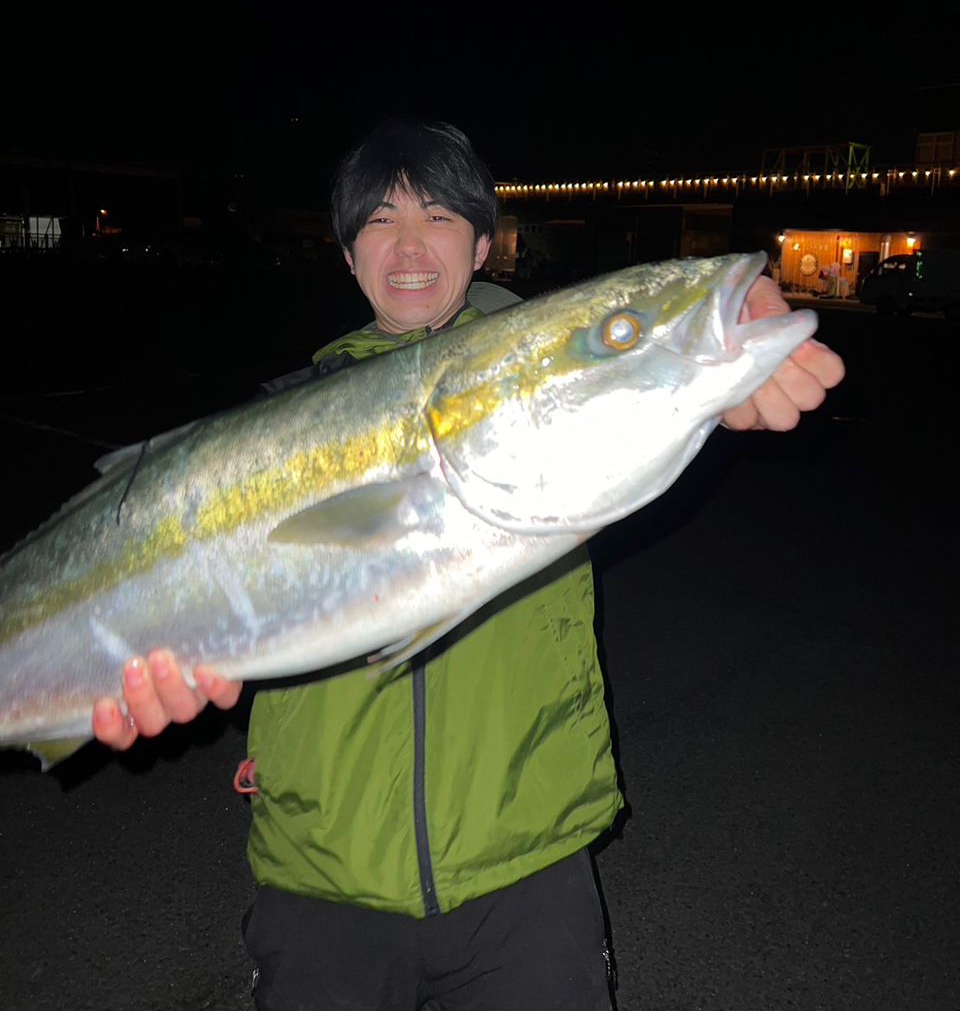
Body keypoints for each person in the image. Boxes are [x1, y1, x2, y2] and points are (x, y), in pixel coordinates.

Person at [93, 119, 845, 1009]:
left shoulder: (535, 377)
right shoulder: (279, 423)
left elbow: (614, 424)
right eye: (378, 221)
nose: (409, 246)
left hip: (524, 877)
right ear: (346, 255)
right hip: (320, 877)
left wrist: (713, 388)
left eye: (441, 216)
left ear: (485, 244)